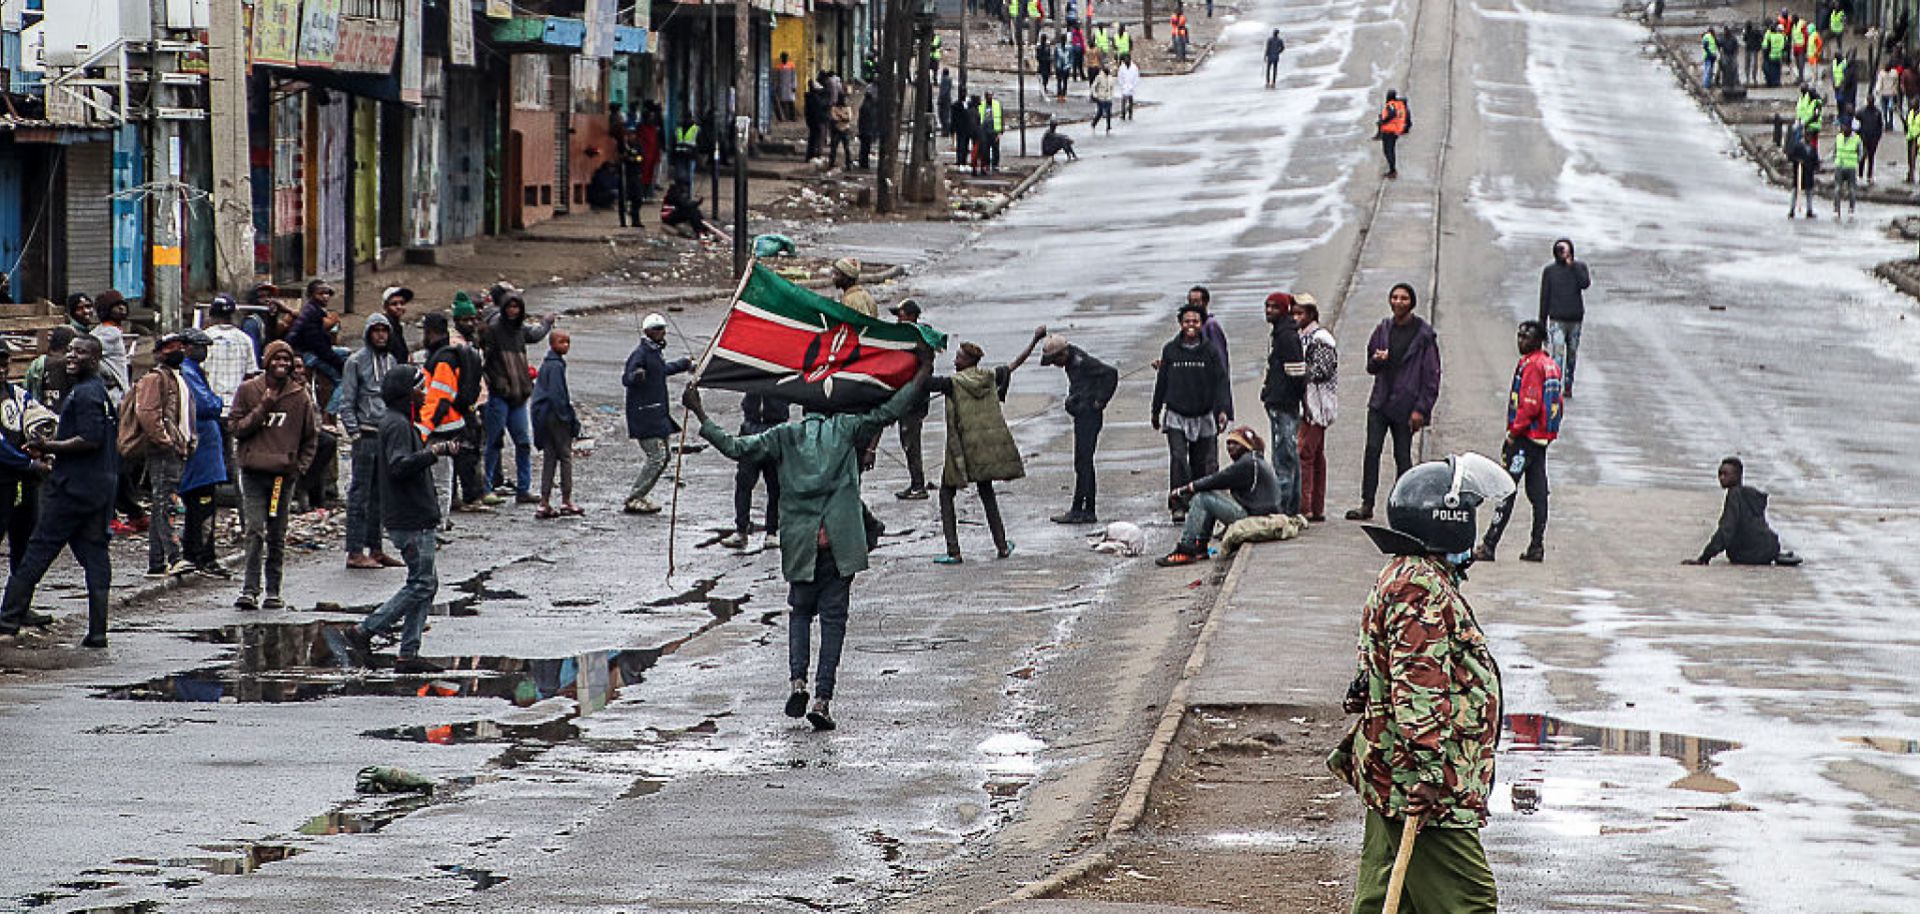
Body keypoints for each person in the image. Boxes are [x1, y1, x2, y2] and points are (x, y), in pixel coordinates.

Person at [684, 353, 933, 732]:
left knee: (800, 614)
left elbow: (735, 448)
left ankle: (797, 681)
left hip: (800, 545)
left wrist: (701, 414)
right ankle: (822, 699)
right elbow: (889, 411)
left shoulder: (783, 436)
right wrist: (921, 375)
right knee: (833, 623)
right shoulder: (847, 429)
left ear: (802, 411)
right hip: (840, 543)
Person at [1332, 456, 1512, 914]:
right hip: (1421, 780)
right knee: (1468, 902)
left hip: (1395, 769)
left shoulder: (1411, 576)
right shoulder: (1419, 588)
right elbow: (1419, 686)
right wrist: (1430, 772)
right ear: (1447, 519)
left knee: (1387, 898)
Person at [0, 336, 117, 646]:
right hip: (96, 488)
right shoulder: (97, 393)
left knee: (38, 551)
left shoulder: (87, 394)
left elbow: (89, 439)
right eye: (70, 351)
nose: (71, 357)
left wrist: (47, 447)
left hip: (73, 490)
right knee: (94, 556)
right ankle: (97, 631)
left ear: (95, 359)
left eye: (80, 352)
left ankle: (8, 621)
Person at [344, 366, 460, 675]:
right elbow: (399, 467)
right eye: (420, 388)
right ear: (407, 393)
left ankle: (409, 653)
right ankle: (366, 629)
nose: (425, 394)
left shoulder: (401, 423)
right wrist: (432, 453)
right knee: (421, 583)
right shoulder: (396, 426)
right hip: (409, 519)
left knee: (426, 583)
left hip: (414, 515)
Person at [930, 331, 1043, 564]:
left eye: (959, 358)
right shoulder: (990, 377)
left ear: (968, 362)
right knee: (986, 492)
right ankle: (1001, 546)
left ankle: (954, 551)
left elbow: (923, 382)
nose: (954, 361)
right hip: (985, 451)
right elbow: (1015, 364)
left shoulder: (951, 383)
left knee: (946, 494)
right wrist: (1034, 339)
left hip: (961, 451)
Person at [229, 340, 320, 611]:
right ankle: (249, 589)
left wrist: (299, 468)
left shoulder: (299, 396)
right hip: (253, 473)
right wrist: (264, 406)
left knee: (276, 532)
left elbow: (311, 438)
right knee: (254, 530)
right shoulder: (249, 391)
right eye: (276, 360)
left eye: (286, 360)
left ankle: (273, 590)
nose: (282, 365)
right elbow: (236, 427)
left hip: (281, 478)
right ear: (266, 362)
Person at [1346, 283, 1440, 522]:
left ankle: (1405, 505)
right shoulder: (1383, 329)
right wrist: (1377, 360)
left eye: (1404, 298)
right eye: (1395, 297)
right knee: (1372, 451)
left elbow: (1432, 376)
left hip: (1406, 406)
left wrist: (1421, 409)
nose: (1398, 302)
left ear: (1412, 302)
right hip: (1380, 402)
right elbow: (1370, 365)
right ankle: (1367, 503)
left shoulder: (1424, 335)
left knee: (1403, 456)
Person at [1473, 321, 1562, 564]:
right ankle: (1536, 545)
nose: (1521, 341)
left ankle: (1489, 544)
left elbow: (1530, 405)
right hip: (1541, 439)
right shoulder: (1549, 364)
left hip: (1525, 438)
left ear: (1538, 341)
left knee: (1506, 488)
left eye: (1527, 337)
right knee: (1538, 492)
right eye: (1520, 336)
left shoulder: (1532, 365)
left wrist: (1513, 432)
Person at [124, 330, 196, 578]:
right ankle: (175, 556)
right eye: (169, 347)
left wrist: (188, 440)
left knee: (161, 504)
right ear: (158, 353)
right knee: (167, 504)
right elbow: (148, 414)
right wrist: (165, 441)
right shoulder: (156, 379)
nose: (176, 350)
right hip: (164, 451)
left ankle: (156, 562)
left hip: (177, 449)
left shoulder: (180, 378)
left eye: (179, 346)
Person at [1157, 426, 1282, 566]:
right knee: (1210, 495)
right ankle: (1200, 546)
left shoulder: (1247, 463)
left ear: (1245, 445)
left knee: (1202, 498)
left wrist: (1184, 490)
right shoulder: (1254, 460)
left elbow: (1217, 479)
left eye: (1235, 443)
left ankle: (1186, 548)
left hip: (1255, 518)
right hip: (1261, 513)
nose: (1230, 447)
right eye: (1228, 443)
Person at [1152, 304, 1232, 522]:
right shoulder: (1170, 350)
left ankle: (1198, 504)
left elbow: (1220, 382)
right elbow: (1162, 382)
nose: (1191, 325)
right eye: (1187, 321)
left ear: (1201, 324)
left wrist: (1223, 410)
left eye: (1195, 321)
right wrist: (1155, 410)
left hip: (1204, 415)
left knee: (1201, 464)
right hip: (1176, 415)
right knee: (1178, 459)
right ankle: (1177, 504)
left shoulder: (1210, 351)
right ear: (1180, 324)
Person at [338, 313, 402, 570]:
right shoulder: (355, 362)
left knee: (380, 496)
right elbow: (347, 401)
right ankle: (355, 551)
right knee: (359, 495)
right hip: (364, 435)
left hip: (385, 435)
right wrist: (354, 432)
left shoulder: (391, 361)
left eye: (384, 331)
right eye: (375, 331)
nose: (380, 335)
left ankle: (376, 549)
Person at [479, 291, 555, 503]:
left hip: (519, 397)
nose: (513, 311)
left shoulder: (520, 331)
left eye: (516, 307)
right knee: (494, 443)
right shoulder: (494, 332)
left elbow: (537, 334)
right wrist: (498, 383)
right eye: (510, 307)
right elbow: (484, 362)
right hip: (500, 396)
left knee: (522, 443)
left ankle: (523, 489)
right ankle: (487, 488)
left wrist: (547, 323)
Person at [1041, 332, 1117, 525]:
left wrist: (1100, 400)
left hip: (1089, 416)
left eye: (1054, 361)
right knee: (1082, 462)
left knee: (1083, 462)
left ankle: (1084, 510)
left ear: (1062, 354)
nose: (1055, 365)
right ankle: (1083, 509)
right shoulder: (1071, 361)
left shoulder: (1081, 361)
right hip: (1082, 413)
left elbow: (1111, 373)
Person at [623, 313, 692, 515]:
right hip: (644, 416)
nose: (662, 331)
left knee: (665, 456)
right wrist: (636, 376)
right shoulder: (640, 354)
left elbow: (661, 370)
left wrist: (683, 364)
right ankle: (635, 497)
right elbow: (626, 378)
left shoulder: (654, 353)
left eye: (663, 328)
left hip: (658, 415)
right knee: (657, 456)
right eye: (657, 328)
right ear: (647, 332)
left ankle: (640, 496)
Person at [176, 329, 229, 579]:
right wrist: (217, 402)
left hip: (204, 451)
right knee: (202, 506)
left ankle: (196, 553)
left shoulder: (193, 371)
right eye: (200, 346)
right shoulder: (188, 373)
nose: (204, 351)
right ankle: (202, 555)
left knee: (200, 506)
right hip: (202, 454)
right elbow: (208, 405)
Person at [1682, 458, 1802, 566]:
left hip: (1748, 555)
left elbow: (1726, 531)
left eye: (1725, 474)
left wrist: (1704, 557)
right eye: (1720, 474)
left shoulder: (1734, 495)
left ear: (1737, 476)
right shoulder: (1751, 494)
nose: (1721, 478)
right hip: (1770, 550)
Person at [0, 350, 53, 572]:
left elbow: (43, 417)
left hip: (23, 481)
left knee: (24, 542)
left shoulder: (17, 394)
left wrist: (41, 447)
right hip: (4, 479)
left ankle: (17, 603)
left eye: (4, 364)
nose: (2, 370)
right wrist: (28, 463)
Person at [721, 391, 790, 548]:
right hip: (753, 428)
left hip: (773, 429)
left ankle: (771, 531)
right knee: (744, 483)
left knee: (775, 485)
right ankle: (742, 529)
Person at [1261, 292, 1308, 517]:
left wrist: (1289, 398)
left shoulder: (1286, 336)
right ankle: (1292, 508)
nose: (1269, 311)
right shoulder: (1281, 333)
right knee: (1290, 457)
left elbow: (1297, 372)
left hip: (1284, 405)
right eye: (1267, 306)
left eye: (1274, 307)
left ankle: (1283, 511)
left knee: (1284, 458)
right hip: (1282, 402)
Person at [530, 330, 583, 519]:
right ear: (552, 344)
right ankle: (566, 500)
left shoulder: (549, 364)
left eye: (568, 342)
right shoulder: (555, 366)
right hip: (554, 417)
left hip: (544, 417)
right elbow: (557, 395)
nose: (566, 345)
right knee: (565, 457)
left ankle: (544, 502)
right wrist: (568, 418)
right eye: (562, 342)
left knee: (550, 458)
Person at [1295, 296, 1338, 523]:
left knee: (1306, 454)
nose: (1296, 318)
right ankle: (1316, 506)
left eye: (1300, 313)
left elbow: (1323, 370)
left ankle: (1307, 507)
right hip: (1311, 404)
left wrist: (1297, 372)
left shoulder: (1320, 338)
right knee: (1316, 455)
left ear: (1311, 314)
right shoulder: (1304, 337)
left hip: (1316, 405)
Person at [889, 299, 933, 500]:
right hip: (907, 395)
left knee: (911, 442)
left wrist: (913, 391)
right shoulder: (906, 338)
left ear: (912, 316)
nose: (898, 319)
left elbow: (925, 367)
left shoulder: (920, 339)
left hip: (914, 399)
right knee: (907, 441)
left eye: (901, 315)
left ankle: (918, 485)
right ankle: (916, 483)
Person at [1535, 238, 1590, 397]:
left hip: (1575, 319)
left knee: (1572, 353)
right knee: (1557, 354)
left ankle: (1568, 384)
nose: (1563, 253)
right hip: (1556, 319)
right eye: (1560, 250)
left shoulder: (1579, 267)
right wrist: (1542, 323)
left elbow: (1585, 283)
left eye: (1565, 250)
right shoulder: (1550, 271)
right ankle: (1555, 386)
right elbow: (1544, 297)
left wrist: (1571, 265)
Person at [285, 279, 346, 388]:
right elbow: (319, 347)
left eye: (327, 293)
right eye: (321, 293)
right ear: (311, 295)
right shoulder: (312, 314)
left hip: (309, 350)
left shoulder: (313, 310)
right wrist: (340, 365)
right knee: (343, 380)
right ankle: (334, 405)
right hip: (305, 354)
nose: (325, 297)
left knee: (346, 353)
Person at [202, 295, 256, 414]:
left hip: (210, 404)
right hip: (237, 404)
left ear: (212, 315)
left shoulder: (204, 339)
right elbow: (250, 375)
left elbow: (199, 373)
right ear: (232, 315)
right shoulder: (246, 340)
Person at [25, 326, 76, 411]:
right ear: (69, 346)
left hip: (42, 415)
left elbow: (26, 388)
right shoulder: (71, 364)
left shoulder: (37, 364)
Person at [1787, 124, 1820, 218]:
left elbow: (1815, 160)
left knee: (1809, 193)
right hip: (1799, 173)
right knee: (1795, 192)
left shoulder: (1813, 149)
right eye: (1807, 135)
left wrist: (1816, 166)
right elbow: (1791, 156)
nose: (1809, 138)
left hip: (1809, 174)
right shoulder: (1798, 146)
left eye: (1810, 136)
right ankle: (1792, 210)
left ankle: (1809, 210)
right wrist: (1797, 161)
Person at [1377, 89, 1411, 179]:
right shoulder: (1399, 105)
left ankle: (1392, 170)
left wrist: (1383, 121)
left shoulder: (1391, 105)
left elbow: (1392, 114)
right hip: (1396, 131)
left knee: (1387, 151)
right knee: (1391, 150)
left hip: (1389, 131)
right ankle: (1392, 169)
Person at [1832, 116, 1862, 217]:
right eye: (1843, 126)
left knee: (1852, 189)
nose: (1844, 128)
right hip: (1839, 165)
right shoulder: (1839, 137)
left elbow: (1860, 153)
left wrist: (1856, 161)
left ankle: (1851, 209)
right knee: (1837, 189)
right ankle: (1836, 208)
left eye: (1845, 126)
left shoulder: (1856, 139)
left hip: (1851, 167)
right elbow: (1835, 151)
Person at [378, 286, 414, 364]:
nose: (399, 307)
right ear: (385, 307)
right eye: (394, 304)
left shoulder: (397, 326)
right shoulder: (383, 327)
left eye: (402, 303)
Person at [978, 91, 1005, 174]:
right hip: (984, 131)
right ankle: (986, 164)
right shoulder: (981, 105)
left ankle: (995, 165)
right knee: (985, 149)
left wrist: (1001, 131)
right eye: (988, 96)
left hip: (994, 130)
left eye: (990, 96)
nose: (989, 97)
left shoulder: (997, 105)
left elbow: (1001, 117)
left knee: (995, 149)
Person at [828, 92, 854, 169]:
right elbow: (834, 119)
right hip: (837, 130)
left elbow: (848, 118)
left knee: (847, 148)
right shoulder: (834, 108)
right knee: (834, 148)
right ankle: (831, 163)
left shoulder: (847, 108)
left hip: (845, 129)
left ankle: (849, 164)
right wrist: (843, 117)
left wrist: (840, 116)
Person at [857, 88, 879, 170]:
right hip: (868, 130)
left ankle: (863, 162)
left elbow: (861, 120)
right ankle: (864, 164)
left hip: (864, 130)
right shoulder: (871, 107)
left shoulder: (864, 106)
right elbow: (873, 120)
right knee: (866, 148)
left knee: (863, 148)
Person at [1762, 21, 1787, 87]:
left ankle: (1771, 83)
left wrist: (1765, 53)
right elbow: (1784, 45)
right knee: (1777, 70)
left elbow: (1765, 46)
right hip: (1778, 55)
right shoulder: (1781, 36)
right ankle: (1777, 82)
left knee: (1770, 70)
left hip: (1771, 55)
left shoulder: (1768, 35)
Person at [775, 52, 799, 121]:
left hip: (790, 86)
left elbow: (794, 76)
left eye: (786, 57)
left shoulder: (792, 65)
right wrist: (777, 86)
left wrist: (794, 86)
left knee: (791, 103)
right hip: (782, 87)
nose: (785, 59)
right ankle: (784, 117)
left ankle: (793, 117)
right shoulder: (778, 66)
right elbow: (777, 77)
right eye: (783, 57)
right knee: (783, 103)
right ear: (781, 58)